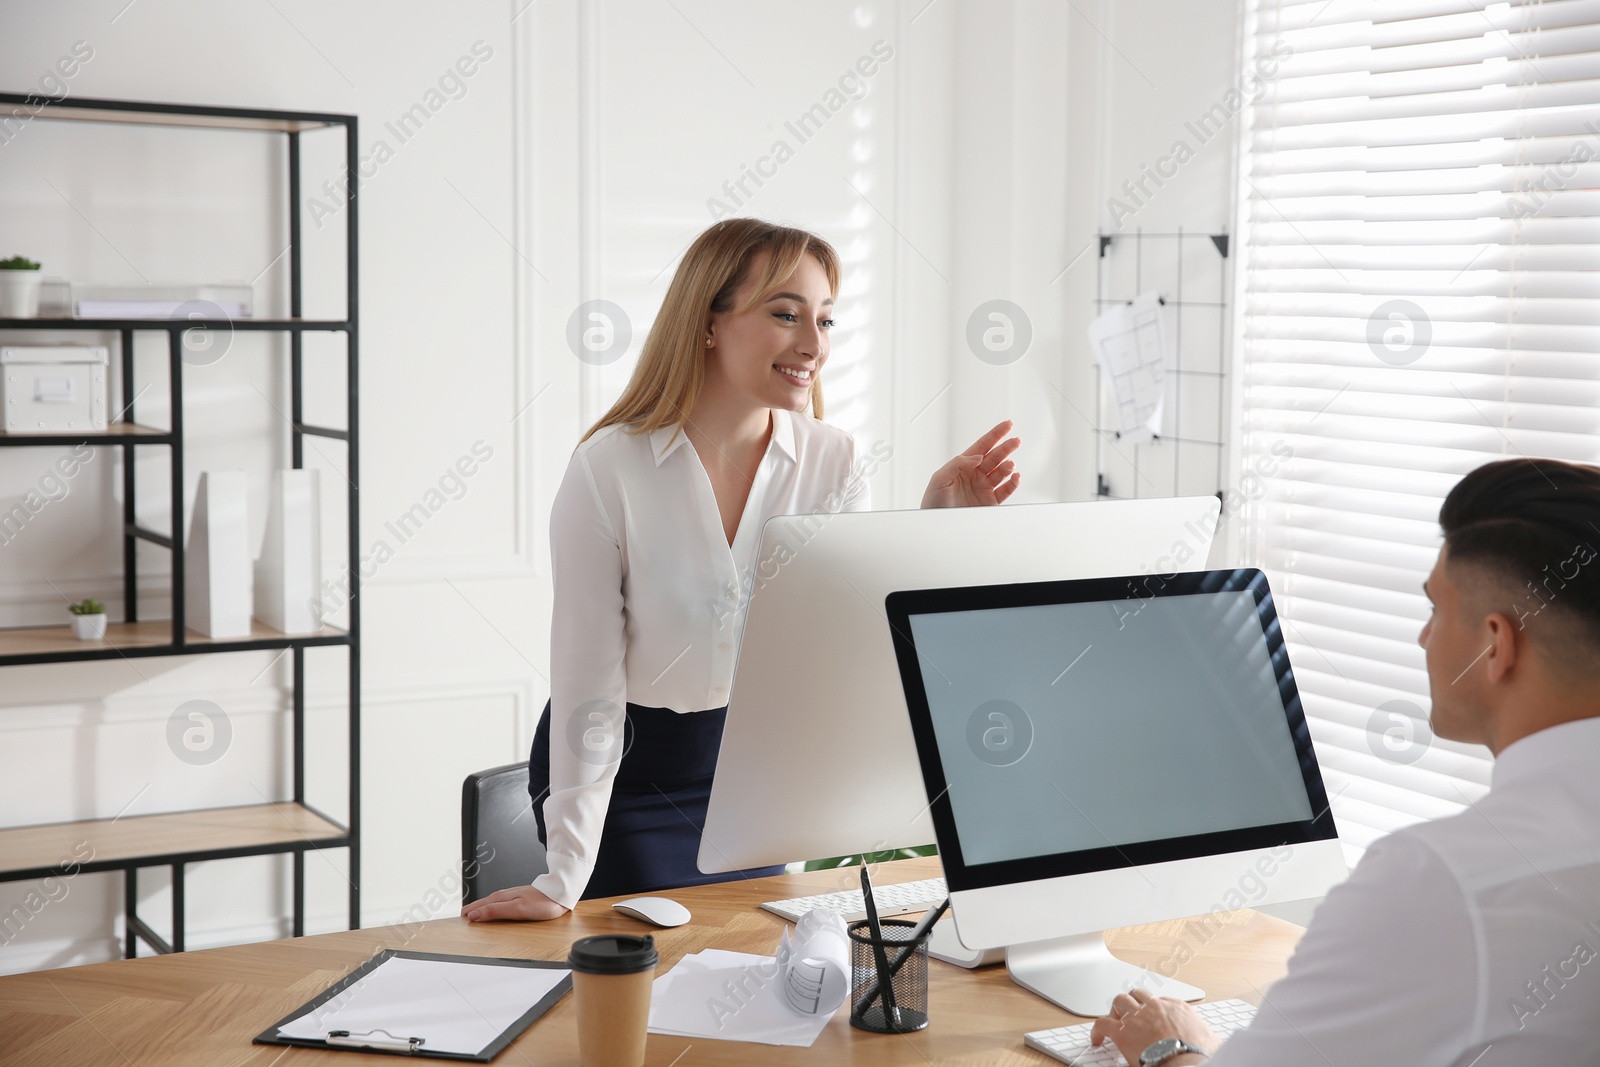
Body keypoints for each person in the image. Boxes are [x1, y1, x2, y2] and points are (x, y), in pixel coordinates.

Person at [462, 218, 1022, 923]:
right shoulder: (609, 469)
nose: (814, 343)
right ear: (708, 322)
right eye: (785, 314)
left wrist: (936, 523)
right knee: (646, 982)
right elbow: (587, 684)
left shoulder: (834, 462)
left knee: (742, 973)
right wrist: (563, 872)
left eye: (824, 319)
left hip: (749, 780)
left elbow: (853, 652)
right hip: (625, 780)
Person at [1090, 456, 1600, 1066]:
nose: (1423, 638)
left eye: (1435, 610)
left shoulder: (1439, 883)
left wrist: (1172, 1045)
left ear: (1496, 644)